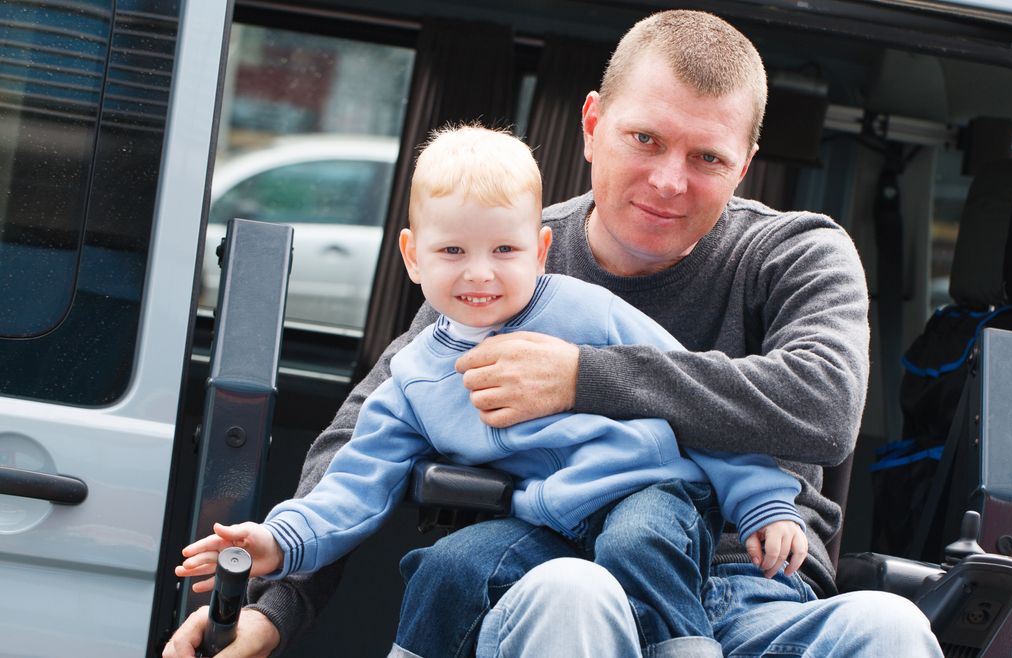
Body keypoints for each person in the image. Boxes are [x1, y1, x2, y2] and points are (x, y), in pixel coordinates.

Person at [164, 9, 943, 658]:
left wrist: (583, 376)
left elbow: (827, 405)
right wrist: (270, 608)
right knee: (578, 591)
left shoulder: (794, 252)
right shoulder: (496, 260)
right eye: (646, 139)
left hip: (751, 591)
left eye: (707, 156)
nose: (670, 180)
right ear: (594, 123)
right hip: (544, 572)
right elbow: (362, 443)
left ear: (745, 165)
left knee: (894, 627)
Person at [172, 126, 809, 657]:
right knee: (448, 566)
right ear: (413, 256)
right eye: (452, 250)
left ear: (540, 250)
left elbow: (697, 405)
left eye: (504, 249)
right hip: (551, 521)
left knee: (634, 542)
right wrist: (282, 541)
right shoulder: (415, 377)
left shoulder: (591, 313)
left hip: (654, 495)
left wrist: (763, 504)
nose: (480, 273)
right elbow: (353, 482)